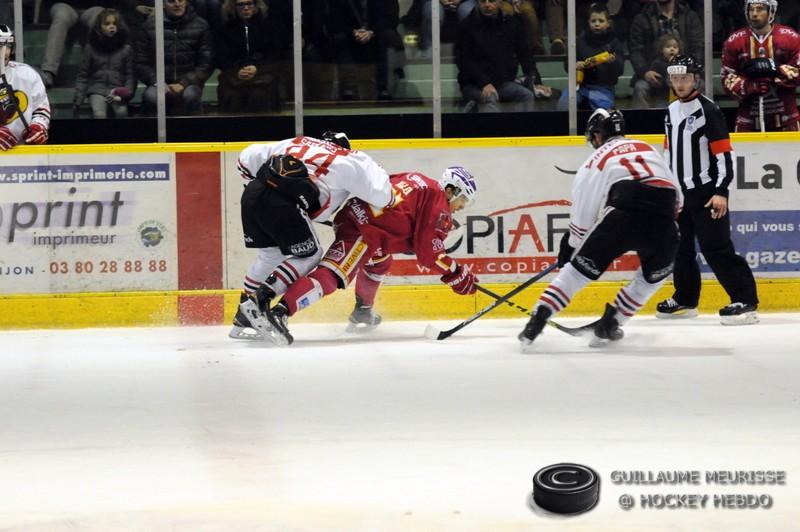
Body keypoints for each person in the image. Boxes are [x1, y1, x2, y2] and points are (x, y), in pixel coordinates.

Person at [244, 166, 479, 346]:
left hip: (355, 217)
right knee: (333, 275)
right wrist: (457, 273)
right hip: (366, 232)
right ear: (451, 190)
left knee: (381, 262)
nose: (462, 207)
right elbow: (429, 254)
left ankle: (362, 311)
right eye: (463, 200)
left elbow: (382, 189)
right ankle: (281, 312)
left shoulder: (417, 178)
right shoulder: (439, 202)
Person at [518, 108, 681, 350]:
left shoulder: (596, 159)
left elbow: (585, 210)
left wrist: (572, 246)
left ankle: (538, 319)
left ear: (597, 135)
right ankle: (613, 322)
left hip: (623, 216)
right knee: (651, 279)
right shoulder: (647, 147)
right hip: (664, 219)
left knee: (576, 274)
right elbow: (677, 195)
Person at [230, 131, 394, 340]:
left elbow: (246, 158)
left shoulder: (298, 142)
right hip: (286, 205)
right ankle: (259, 300)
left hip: (253, 194)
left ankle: (243, 319)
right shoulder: (352, 159)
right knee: (310, 255)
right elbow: (383, 197)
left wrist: (259, 189)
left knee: (270, 255)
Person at [656, 55, 759, 324]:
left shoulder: (708, 111)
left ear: (696, 79)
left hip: (706, 193)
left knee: (717, 248)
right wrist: (670, 189)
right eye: (675, 78)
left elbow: (725, 155)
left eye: (685, 78)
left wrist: (722, 191)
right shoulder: (671, 110)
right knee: (681, 249)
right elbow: (668, 152)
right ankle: (685, 299)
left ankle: (746, 301)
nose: (680, 83)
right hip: (681, 195)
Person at [455, 0, 549, 113]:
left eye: (492, 1)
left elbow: (525, 54)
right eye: (483, 1)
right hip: (474, 84)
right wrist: (484, 83)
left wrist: (536, 82)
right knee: (490, 97)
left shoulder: (510, 23)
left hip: (502, 82)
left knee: (526, 95)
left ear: (500, 1)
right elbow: (464, 61)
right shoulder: (467, 25)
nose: (487, 4)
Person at [720, 0, 800, 132]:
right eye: (751, 9)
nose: (754, 14)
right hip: (747, 120)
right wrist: (749, 86)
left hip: (786, 118)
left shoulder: (790, 37)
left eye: (760, 9)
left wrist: (776, 69)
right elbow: (726, 77)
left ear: (771, 12)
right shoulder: (734, 41)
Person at [134, 0, 214, 115]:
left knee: (191, 95)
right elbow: (141, 62)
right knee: (150, 96)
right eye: (171, 1)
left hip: (189, 83)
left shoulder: (201, 25)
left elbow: (206, 63)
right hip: (158, 83)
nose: (177, 4)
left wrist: (184, 83)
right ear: (163, 3)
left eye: (180, 0)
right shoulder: (149, 26)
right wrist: (157, 82)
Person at [215, 0, 288, 113]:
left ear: (256, 6)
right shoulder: (225, 29)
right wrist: (237, 70)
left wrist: (256, 68)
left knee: (259, 95)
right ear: (233, 7)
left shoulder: (267, 27)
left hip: (262, 74)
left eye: (249, 3)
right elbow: (222, 57)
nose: (246, 8)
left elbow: (274, 54)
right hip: (235, 75)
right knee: (232, 95)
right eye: (241, 4)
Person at [628, 0, 703, 108]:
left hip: (685, 71)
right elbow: (636, 50)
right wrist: (645, 72)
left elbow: (698, 47)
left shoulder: (689, 16)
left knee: (699, 84)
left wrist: (692, 71)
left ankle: (694, 118)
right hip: (654, 72)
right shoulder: (642, 18)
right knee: (640, 88)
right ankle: (642, 119)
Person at [557, 2, 624, 111]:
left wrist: (613, 62)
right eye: (593, 21)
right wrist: (574, 65)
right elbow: (567, 64)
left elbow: (620, 70)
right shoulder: (579, 42)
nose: (597, 24)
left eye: (601, 21)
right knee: (564, 104)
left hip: (603, 87)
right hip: (580, 86)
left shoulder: (614, 43)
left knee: (604, 110)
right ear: (588, 22)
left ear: (608, 23)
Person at [73, 8, 136, 119]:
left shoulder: (126, 49)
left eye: (115, 24)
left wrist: (125, 94)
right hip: (97, 89)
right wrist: (78, 98)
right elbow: (83, 75)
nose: (111, 26)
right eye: (107, 24)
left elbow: (130, 76)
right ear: (99, 27)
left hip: (117, 90)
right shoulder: (91, 48)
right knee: (99, 115)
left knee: (122, 113)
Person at [0, 25, 50, 151]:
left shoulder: (26, 73)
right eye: (0, 46)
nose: (5, 52)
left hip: (24, 152)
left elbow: (40, 110)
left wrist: (38, 126)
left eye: (8, 46)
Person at [36, 0, 106, 88]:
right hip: (63, 5)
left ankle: (102, 74)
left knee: (99, 18)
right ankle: (48, 72)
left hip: (94, 6)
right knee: (61, 16)